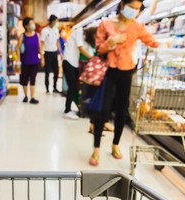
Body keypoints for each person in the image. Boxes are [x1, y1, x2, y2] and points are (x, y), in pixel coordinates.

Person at [89, 0, 159, 166]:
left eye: (137, 9)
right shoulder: (106, 24)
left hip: (127, 72)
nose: (134, 11)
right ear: (122, 5)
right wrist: (112, 42)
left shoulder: (138, 27)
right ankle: (96, 149)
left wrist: (172, 48)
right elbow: (98, 49)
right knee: (103, 109)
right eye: (131, 7)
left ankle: (115, 145)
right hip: (108, 72)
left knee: (121, 110)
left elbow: (153, 42)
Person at [63, 27, 97, 120]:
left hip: (74, 63)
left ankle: (71, 108)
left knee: (75, 86)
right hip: (68, 61)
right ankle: (67, 110)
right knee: (73, 86)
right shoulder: (79, 32)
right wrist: (93, 59)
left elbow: (90, 50)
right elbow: (81, 48)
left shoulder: (87, 39)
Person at [17, 17, 43, 104]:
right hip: (25, 61)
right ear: (26, 26)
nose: (33, 25)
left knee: (33, 78)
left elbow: (40, 48)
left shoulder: (37, 35)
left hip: (35, 61)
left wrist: (42, 58)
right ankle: (25, 96)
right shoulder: (22, 36)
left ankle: (32, 97)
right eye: (31, 23)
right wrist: (17, 60)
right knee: (24, 79)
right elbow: (17, 48)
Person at [41, 15, 63, 94]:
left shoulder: (56, 30)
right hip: (47, 53)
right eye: (56, 21)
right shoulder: (44, 31)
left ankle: (54, 87)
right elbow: (42, 43)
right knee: (47, 72)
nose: (57, 23)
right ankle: (47, 88)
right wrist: (42, 56)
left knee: (56, 72)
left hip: (54, 53)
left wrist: (60, 53)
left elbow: (57, 42)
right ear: (52, 21)